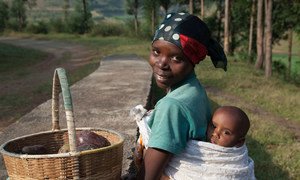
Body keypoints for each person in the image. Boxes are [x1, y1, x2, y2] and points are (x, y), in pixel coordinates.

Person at [134, 12, 227, 180]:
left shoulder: (172, 106)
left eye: (177, 58)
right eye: (156, 52)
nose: (162, 63)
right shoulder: (194, 89)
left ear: (193, 61)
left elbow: (149, 175)